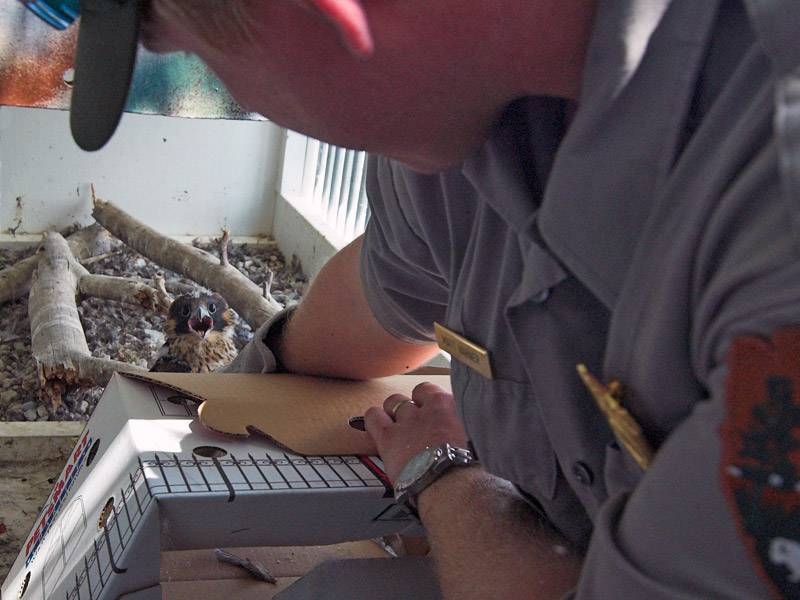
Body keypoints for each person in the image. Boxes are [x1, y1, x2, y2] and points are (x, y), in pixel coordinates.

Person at [133, 0, 800, 597]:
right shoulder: (451, 111)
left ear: (323, 14)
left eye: (208, 59)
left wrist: (444, 474)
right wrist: (237, 380)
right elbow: (370, 303)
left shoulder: (773, 231)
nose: (239, 94)